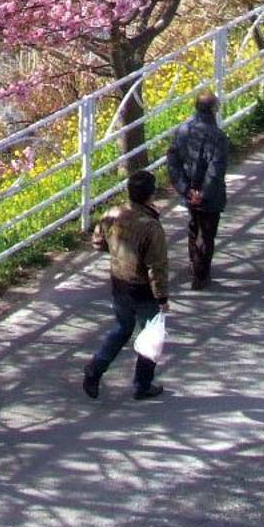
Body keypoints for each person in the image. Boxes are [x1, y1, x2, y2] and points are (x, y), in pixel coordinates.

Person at [82, 170, 168, 400]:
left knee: (122, 327)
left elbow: (98, 242)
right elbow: (156, 266)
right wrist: (162, 297)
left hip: (119, 282)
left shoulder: (113, 214)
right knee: (151, 334)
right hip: (142, 288)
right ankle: (142, 384)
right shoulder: (151, 226)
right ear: (150, 195)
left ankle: (95, 368)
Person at [164, 92, 230, 290]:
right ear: (213, 109)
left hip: (189, 189)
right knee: (207, 233)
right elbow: (216, 169)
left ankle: (194, 262)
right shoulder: (218, 136)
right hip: (210, 194)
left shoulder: (183, 130)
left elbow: (173, 161)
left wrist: (185, 189)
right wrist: (203, 193)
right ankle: (200, 274)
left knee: (194, 224)